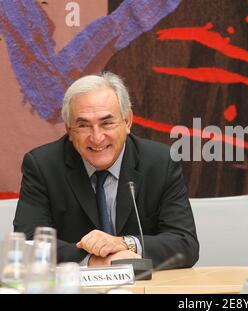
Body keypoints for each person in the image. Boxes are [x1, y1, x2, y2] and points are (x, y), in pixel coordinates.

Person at [14, 72, 199, 268]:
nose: (97, 137)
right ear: (69, 130)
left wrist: (124, 243)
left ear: (127, 121)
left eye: (107, 123)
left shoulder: (160, 163)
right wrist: (92, 260)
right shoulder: (43, 166)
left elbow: (185, 243)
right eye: (83, 125)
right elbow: (28, 242)